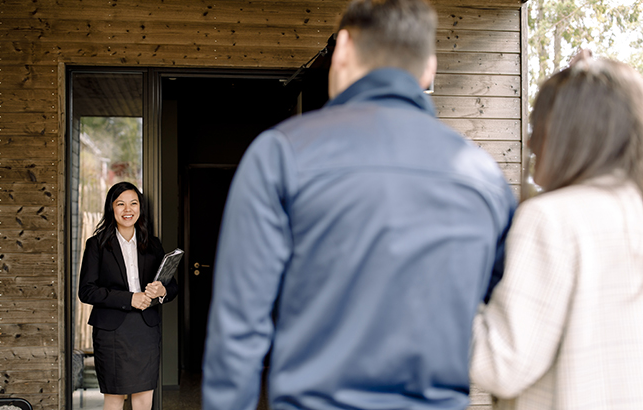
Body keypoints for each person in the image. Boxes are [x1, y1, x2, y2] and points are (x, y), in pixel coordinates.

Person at [202, 0, 516, 409]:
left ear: (344, 48)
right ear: (429, 69)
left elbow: (239, 331)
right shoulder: (485, 179)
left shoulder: (280, 156)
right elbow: (514, 324)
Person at [470, 53, 643, 409]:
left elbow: (502, 364)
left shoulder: (552, 219)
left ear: (570, 134)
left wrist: (432, 297)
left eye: (537, 127)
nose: (530, 145)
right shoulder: (633, 208)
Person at [78, 181, 178, 410]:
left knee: (144, 398)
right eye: (120, 204)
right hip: (112, 332)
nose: (127, 210)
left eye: (133, 203)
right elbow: (87, 291)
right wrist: (129, 298)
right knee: (115, 399)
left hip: (146, 329)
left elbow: (172, 286)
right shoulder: (97, 244)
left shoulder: (152, 245)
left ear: (140, 208)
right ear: (111, 208)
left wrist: (162, 290)